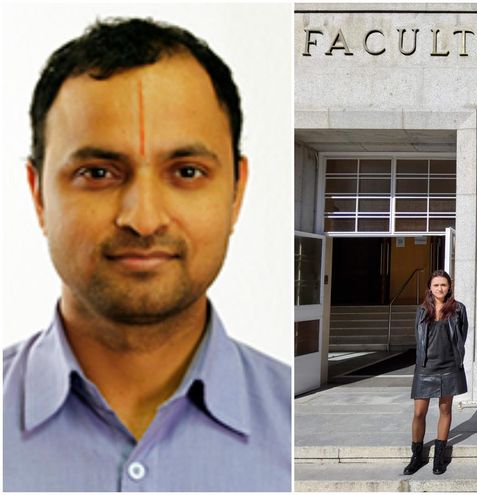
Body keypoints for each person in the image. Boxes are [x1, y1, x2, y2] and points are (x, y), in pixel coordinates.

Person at [3, 18, 291, 491]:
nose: (143, 218)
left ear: (237, 192)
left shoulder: (285, 427)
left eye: (187, 171)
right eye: (97, 172)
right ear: (38, 196)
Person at [404, 270, 469, 476]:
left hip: (449, 366)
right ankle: (416, 455)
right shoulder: (422, 310)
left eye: (444, 285)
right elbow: (418, 337)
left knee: (445, 410)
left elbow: (462, 335)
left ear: (449, 287)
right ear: (429, 288)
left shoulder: (458, 309)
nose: (440, 288)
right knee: (419, 413)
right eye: (436, 285)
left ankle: (439, 456)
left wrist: (456, 358)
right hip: (426, 367)